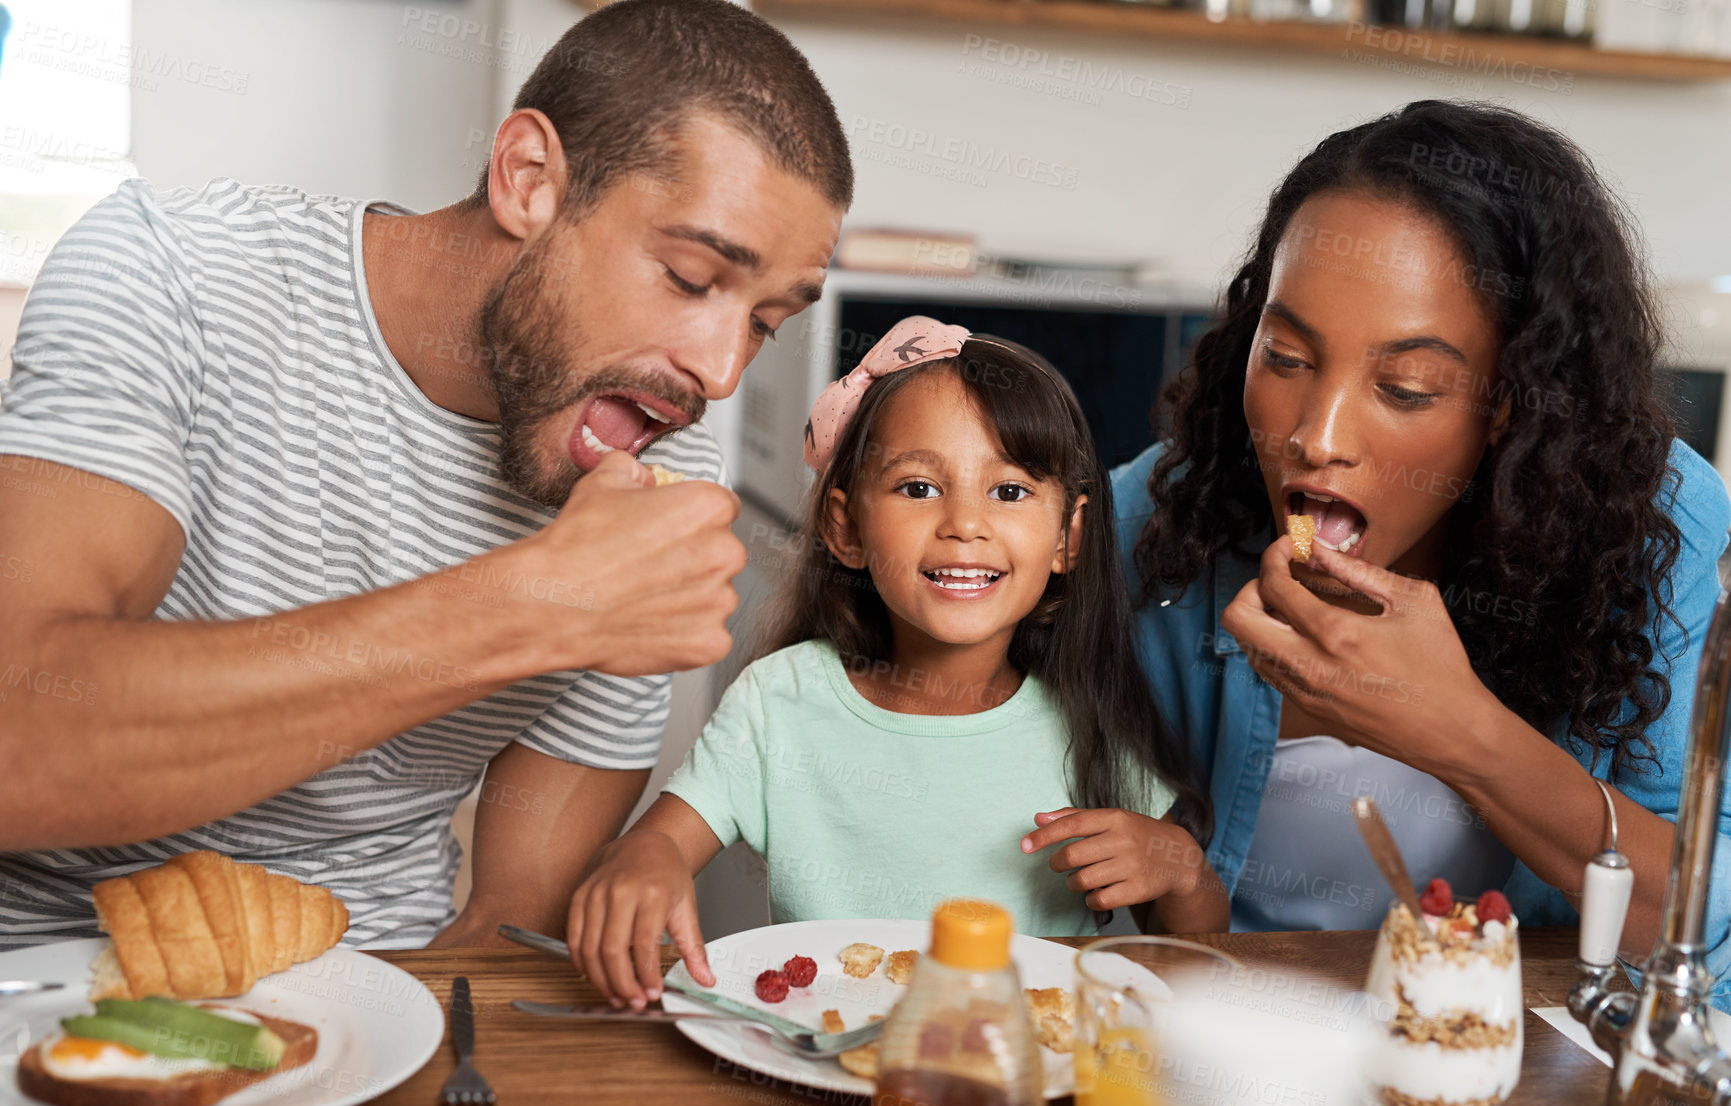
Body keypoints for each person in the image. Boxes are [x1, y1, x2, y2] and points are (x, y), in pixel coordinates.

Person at [0, 0, 850, 950]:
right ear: (527, 178)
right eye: (690, 280)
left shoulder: (655, 462)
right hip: (46, 980)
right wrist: (540, 601)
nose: (722, 373)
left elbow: (514, 917)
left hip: (385, 994)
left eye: (765, 323)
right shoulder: (175, 277)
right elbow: (19, 740)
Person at [1113, 100, 1731, 997]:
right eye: (1284, 357)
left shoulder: (1641, 525)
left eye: (1403, 388)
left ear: (1511, 406)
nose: (1315, 437)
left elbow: (1697, 931)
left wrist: (1456, 731)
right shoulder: (1166, 515)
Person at [566, 318, 1223, 1008]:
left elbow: (1191, 957)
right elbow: (661, 843)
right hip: (816, 1068)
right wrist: (640, 862)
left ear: (1069, 536)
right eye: (917, 488)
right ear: (845, 528)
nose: (964, 523)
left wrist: (1182, 870)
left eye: (1008, 491)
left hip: (1009, 1088)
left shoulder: (1089, 718)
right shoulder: (780, 701)